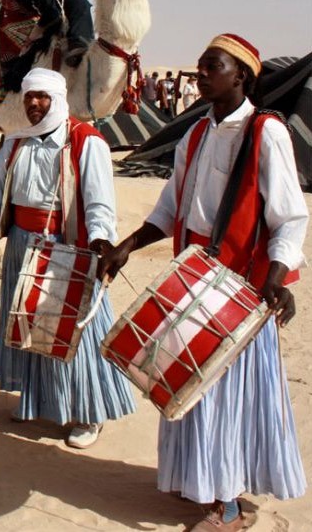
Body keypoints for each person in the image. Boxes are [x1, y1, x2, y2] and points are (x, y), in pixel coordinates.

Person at [99, 34, 308, 531]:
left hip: (240, 292)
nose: (200, 75)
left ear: (241, 76)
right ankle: (204, 483)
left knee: (229, 397)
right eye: (198, 67)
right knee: (193, 389)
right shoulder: (194, 135)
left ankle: (228, 506)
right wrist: (127, 246)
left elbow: (290, 218)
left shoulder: (267, 132)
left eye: (211, 66)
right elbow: (171, 209)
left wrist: (276, 278)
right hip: (194, 285)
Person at [0, 67, 135, 447]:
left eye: (41, 96)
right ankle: (37, 401)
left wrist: (98, 242)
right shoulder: (14, 142)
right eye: (28, 96)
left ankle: (89, 414)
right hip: (21, 246)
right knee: (30, 330)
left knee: (74, 334)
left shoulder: (86, 142)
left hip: (67, 245)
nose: (33, 103)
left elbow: (99, 205)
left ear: (58, 100)